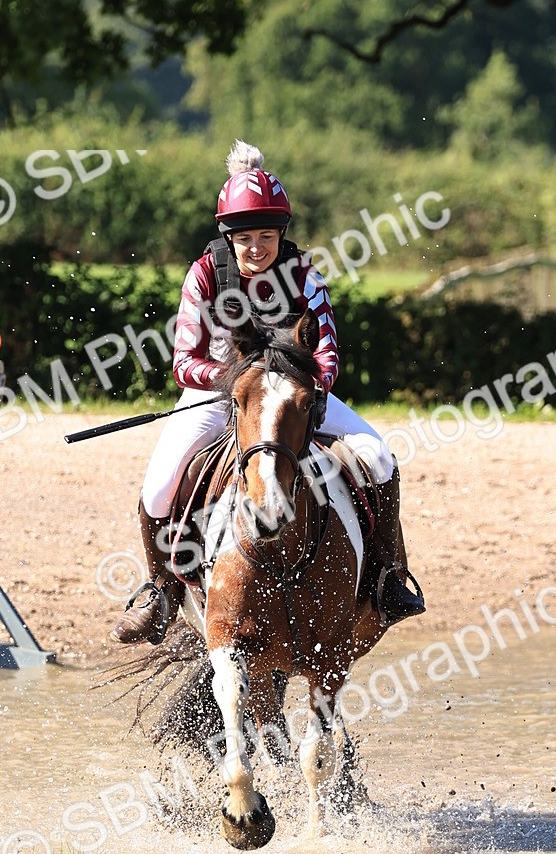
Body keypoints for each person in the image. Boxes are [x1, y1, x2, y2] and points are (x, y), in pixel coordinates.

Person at [112, 140, 424, 646]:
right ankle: (160, 590)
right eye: (244, 238)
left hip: (294, 398)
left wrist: (303, 386)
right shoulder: (205, 274)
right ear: (228, 238)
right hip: (219, 397)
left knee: (380, 456)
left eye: (266, 236)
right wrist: (240, 379)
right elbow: (184, 361)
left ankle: (386, 579)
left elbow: (327, 354)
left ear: (281, 233)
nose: (256, 248)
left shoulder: (304, 275)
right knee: (160, 483)